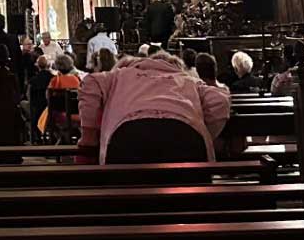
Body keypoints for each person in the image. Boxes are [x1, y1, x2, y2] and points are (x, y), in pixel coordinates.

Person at [78, 46, 231, 163]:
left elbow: (90, 83)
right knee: (189, 201)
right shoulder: (187, 79)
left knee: (126, 197)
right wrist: (204, 131)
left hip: (129, 134)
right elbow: (220, 100)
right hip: (185, 135)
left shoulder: (121, 74)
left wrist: (89, 136)